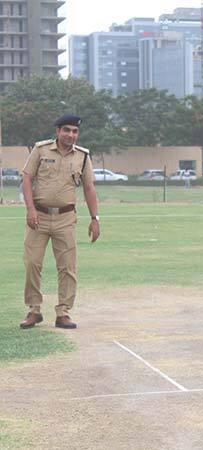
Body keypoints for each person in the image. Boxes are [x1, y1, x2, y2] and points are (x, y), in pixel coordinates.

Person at [19, 114, 100, 330]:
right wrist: (30, 209)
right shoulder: (41, 150)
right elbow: (27, 178)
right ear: (57, 131)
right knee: (32, 264)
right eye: (66, 130)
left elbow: (89, 188)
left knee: (67, 268)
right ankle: (34, 311)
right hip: (38, 217)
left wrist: (95, 219)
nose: (70, 135)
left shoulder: (83, 156)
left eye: (74, 131)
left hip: (66, 219)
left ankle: (63, 312)